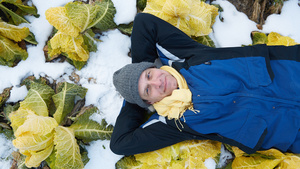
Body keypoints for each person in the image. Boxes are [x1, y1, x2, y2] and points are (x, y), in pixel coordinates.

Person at [110, 13, 300, 156]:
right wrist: (135, 96)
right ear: (149, 102)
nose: (158, 82)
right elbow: (120, 143)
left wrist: (138, 75)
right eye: (148, 89)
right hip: (291, 130)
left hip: (290, 73)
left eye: (150, 74)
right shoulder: (174, 124)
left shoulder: (185, 56)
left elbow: (144, 23)